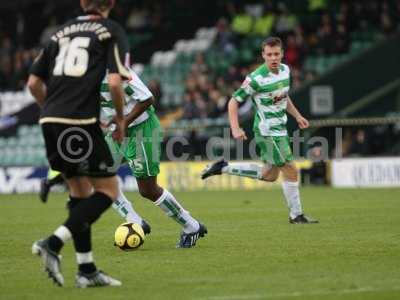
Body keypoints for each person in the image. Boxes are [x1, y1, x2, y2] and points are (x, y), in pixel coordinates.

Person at [39, 67, 208, 248]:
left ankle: (192, 226)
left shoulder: (118, 72)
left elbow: (148, 99)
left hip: (142, 130)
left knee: (148, 190)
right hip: (118, 131)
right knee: (99, 176)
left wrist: (124, 121)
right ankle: (135, 221)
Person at [27, 0, 130, 288]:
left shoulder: (60, 32)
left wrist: (52, 110)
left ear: (83, 3)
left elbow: (34, 83)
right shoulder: (110, 30)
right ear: (111, 3)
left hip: (49, 119)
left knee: (80, 192)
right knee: (109, 190)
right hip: (81, 123)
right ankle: (53, 243)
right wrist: (120, 120)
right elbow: (114, 82)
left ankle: (86, 270)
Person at [201, 37, 318, 224]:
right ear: (263, 55)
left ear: (282, 54)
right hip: (267, 132)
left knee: (269, 175)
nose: (273, 58)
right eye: (269, 54)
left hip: (281, 128)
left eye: (276, 54)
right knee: (291, 170)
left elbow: (283, 97)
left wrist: (297, 116)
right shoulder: (256, 78)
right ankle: (296, 215)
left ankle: (223, 168)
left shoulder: (286, 71)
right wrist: (235, 128)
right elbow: (233, 102)